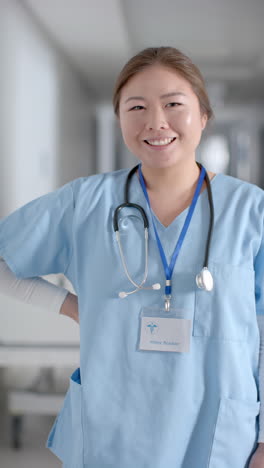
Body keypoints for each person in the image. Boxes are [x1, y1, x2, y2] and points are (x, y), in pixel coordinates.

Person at [0, 46, 264, 468]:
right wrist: (68, 306)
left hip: (219, 434)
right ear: (121, 118)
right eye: (136, 106)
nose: (156, 122)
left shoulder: (252, 211)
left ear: (204, 115)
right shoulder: (84, 202)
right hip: (114, 429)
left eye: (174, 104)